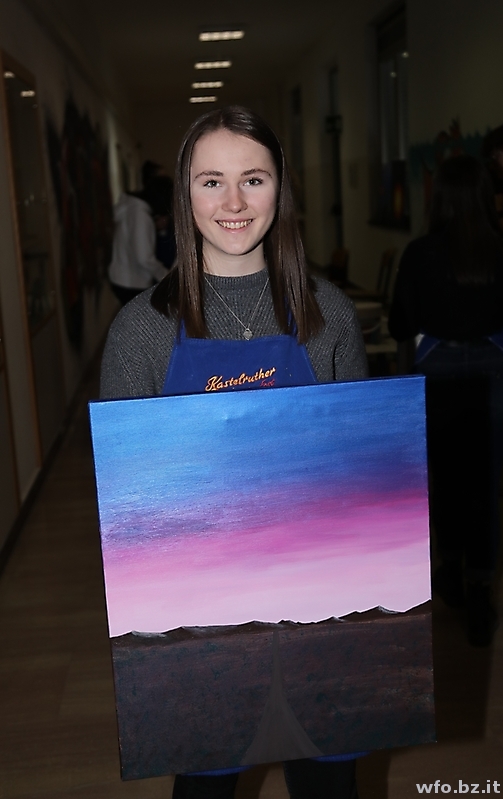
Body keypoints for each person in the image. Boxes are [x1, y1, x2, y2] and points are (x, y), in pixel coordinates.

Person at [101, 105, 368, 798]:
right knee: (206, 784)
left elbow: (361, 478)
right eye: (210, 181)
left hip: (320, 606)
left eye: (253, 179)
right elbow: (129, 510)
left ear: (280, 188)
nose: (233, 203)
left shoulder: (329, 315)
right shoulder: (141, 331)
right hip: (201, 620)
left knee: (329, 780)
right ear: (184, 194)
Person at [388, 154, 503, 647]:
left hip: (435, 381)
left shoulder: (420, 253)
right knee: (485, 485)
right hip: (492, 377)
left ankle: (449, 572)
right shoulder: (499, 250)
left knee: (444, 480)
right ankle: (480, 590)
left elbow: (399, 324)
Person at [107, 175, 173, 306]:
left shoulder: (131, 208)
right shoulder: (141, 215)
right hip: (132, 281)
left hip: (122, 277)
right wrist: (166, 276)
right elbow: (144, 257)